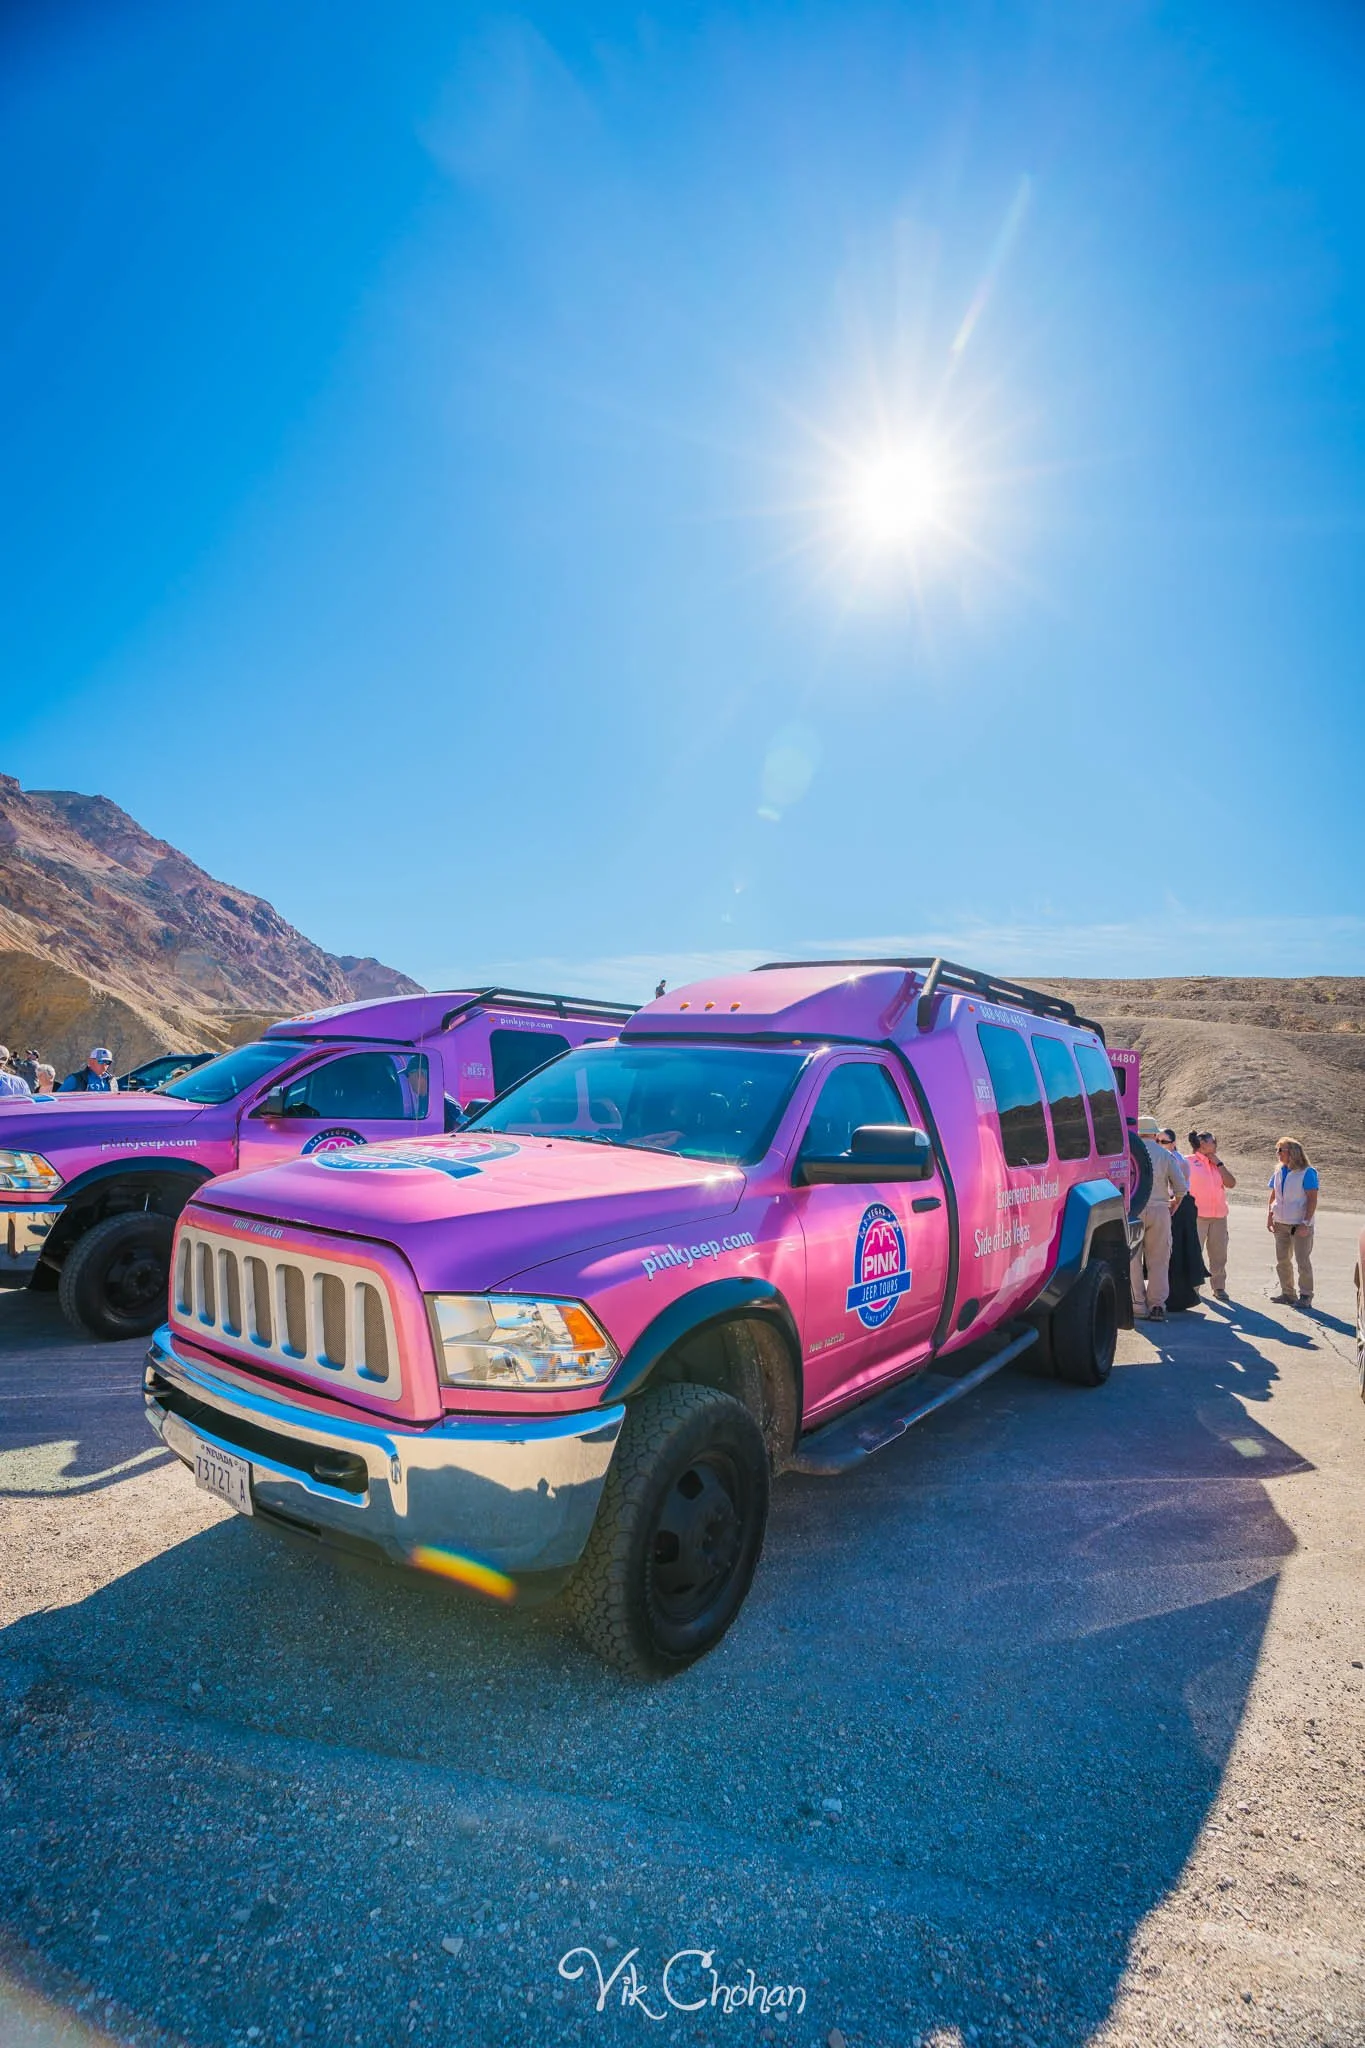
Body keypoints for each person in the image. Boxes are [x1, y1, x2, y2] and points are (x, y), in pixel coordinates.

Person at [1130, 1113, 1190, 1322]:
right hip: (1159, 1208)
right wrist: (1174, 1204)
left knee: (1133, 1260)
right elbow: (1181, 1188)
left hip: (1132, 1210)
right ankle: (1156, 1305)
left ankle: (1137, 1304)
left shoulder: (1128, 1152)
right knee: (1159, 1260)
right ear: (1155, 1134)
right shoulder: (1165, 1155)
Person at [1267, 1137, 1318, 1308]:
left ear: (1293, 1152)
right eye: (1277, 1150)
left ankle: (1305, 1295)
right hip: (1280, 1222)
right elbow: (1274, 1194)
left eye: (1281, 1150)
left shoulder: (1307, 1173)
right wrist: (1269, 1215)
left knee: (1302, 1260)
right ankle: (1287, 1293)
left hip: (1300, 1224)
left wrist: (1306, 1222)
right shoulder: (1279, 1171)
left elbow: (1312, 1199)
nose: (1278, 1154)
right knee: (1282, 1259)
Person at [1187, 1131, 1236, 1300]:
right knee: (1194, 1252)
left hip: (1219, 1216)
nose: (1215, 1144)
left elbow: (1231, 1183)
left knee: (1219, 1254)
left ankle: (1219, 1287)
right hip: (1197, 1216)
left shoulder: (1217, 1163)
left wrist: (1219, 1164)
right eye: (1213, 1141)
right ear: (1202, 1144)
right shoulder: (1188, 1162)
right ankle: (1192, 1288)